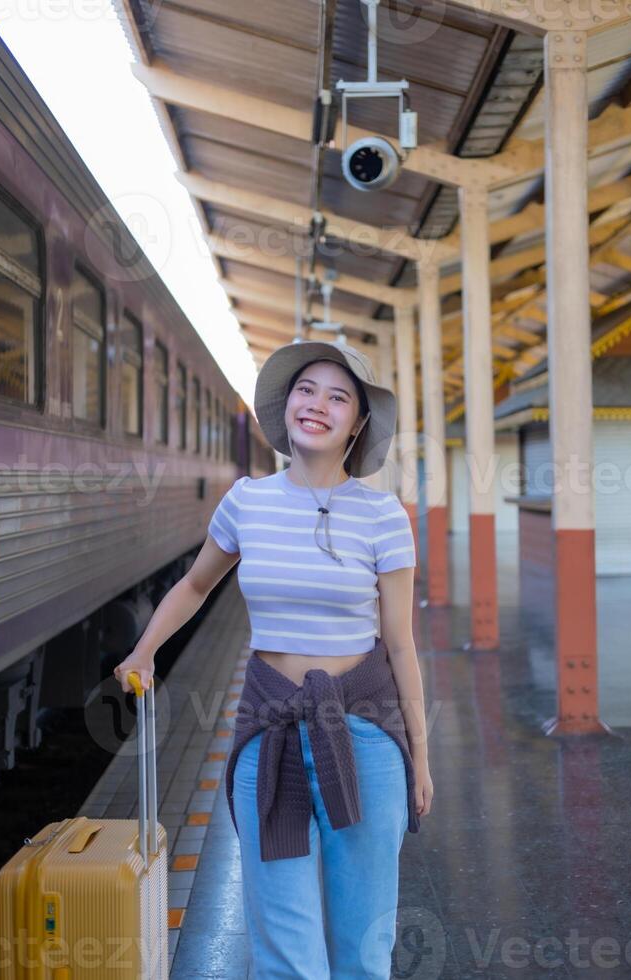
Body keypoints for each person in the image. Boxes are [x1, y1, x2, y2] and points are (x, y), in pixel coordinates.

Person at [114, 340, 434, 979]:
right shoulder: (246, 502)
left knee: (364, 947)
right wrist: (145, 650)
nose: (317, 405)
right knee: (284, 950)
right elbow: (195, 585)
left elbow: (400, 643)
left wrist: (419, 758)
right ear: (287, 405)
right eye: (306, 390)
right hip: (271, 731)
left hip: (366, 735)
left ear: (358, 423)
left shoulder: (383, 516)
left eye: (337, 396)